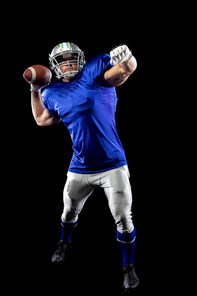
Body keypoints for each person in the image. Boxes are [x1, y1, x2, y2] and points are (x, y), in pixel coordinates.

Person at [29, 42, 139, 292]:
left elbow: (124, 71)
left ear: (80, 60)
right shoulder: (52, 92)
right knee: (68, 213)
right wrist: (35, 90)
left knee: (124, 219)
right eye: (63, 60)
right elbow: (41, 120)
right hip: (80, 166)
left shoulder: (95, 74)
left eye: (71, 59)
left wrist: (130, 59)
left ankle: (128, 265)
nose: (68, 64)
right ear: (56, 65)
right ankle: (64, 242)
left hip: (112, 164)